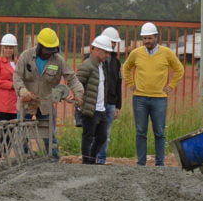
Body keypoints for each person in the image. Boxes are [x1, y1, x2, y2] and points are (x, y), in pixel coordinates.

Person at [13, 27, 84, 160]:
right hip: (26, 103)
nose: (49, 53)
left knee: (50, 136)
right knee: (21, 135)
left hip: (46, 103)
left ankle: (54, 161)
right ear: (40, 46)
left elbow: (72, 78)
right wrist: (22, 91)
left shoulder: (58, 61)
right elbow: (17, 76)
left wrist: (78, 93)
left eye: (52, 50)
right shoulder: (26, 56)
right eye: (47, 50)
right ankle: (22, 160)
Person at [122, 22, 184, 166]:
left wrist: (171, 86)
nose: (147, 41)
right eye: (144, 38)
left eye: (149, 38)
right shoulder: (136, 53)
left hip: (159, 99)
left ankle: (160, 163)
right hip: (139, 98)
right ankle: (141, 162)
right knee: (140, 131)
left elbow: (179, 69)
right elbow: (126, 67)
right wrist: (130, 83)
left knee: (160, 132)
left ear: (156, 37)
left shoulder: (167, 53)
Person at [76, 35, 115, 164]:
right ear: (97, 50)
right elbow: (77, 85)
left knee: (102, 137)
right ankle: (87, 162)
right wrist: (79, 102)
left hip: (101, 109)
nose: (108, 55)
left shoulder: (101, 66)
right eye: (106, 52)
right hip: (89, 109)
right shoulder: (86, 66)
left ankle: (91, 160)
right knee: (88, 137)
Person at [95, 26, 123, 165]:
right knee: (94, 132)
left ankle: (101, 160)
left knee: (106, 134)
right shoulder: (92, 59)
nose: (112, 45)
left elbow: (118, 84)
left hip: (111, 103)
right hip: (96, 102)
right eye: (111, 42)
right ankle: (91, 158)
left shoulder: (116, 62)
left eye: (114, 42)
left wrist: (118, 105)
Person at [0, 33, 19, 122]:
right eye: (6, 48)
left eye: (11, 48)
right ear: (2, 48)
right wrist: (11, 85)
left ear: (14, 49)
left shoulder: (19, 62)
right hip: (2, 104)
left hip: (15, 103)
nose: (8, 50)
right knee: (3, 130)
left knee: (15, 129)